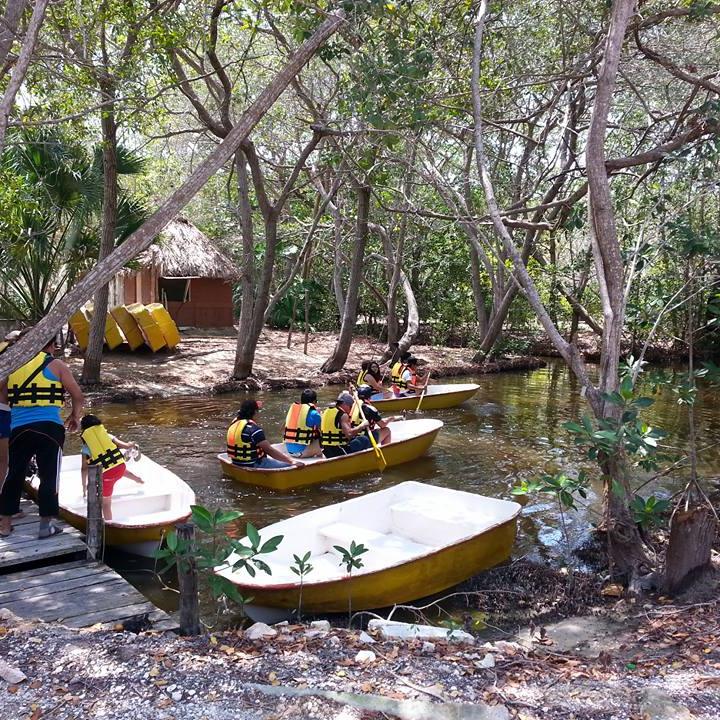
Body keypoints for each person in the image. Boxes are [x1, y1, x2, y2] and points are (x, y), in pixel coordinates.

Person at [0, 334, 84, 538]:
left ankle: (4, 525)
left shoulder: (13, 367)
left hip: (19, 428)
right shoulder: (57, 366)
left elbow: (3, 399)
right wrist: (75, 416)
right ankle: (46, 526)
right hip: (49, 428)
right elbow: (78, 396)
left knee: (13, 475)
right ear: (50, 345)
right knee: (49, 476)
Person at [80, 414, 144, 521]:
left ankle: (109, 523)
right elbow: (125, 446)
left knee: (105, 504)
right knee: (115, 467)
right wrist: (131, 444)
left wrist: (84, 486)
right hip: (121, 466)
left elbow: (84, 469)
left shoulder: (86, 447)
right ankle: (138, 479)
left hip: (107, 475)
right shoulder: (107, 435)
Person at [227, 400, 303, 469]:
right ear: (255, 412)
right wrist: (292, 462)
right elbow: (270, 450)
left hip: (236, 463)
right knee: (291, 465)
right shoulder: (254, 430)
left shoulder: (233, 425)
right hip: (255, 464)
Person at [320, 391, 372, 459]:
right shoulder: (343, 415)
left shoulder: (326, 411)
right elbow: (349, 434)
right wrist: (362, 425)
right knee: (364, 439)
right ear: (345, 404)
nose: (350, 410)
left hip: (326, 450)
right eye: (350, 407)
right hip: (338, 450)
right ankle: (364, 460)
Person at [283, 389, 323, 458]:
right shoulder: (314, 414)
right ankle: (321, 460)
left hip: (289, 451)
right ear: (313, 402)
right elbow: (323, 430)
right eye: (316, 401)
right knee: (319, 439)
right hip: (301, 453)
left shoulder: (293, 411)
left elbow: (282, 429)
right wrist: (320, 415)